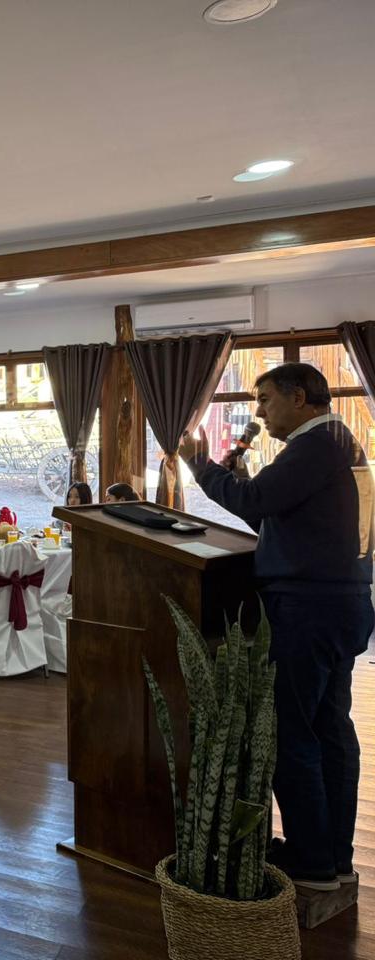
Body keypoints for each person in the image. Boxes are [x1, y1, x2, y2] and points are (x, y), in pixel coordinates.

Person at [179, 362, 373, 892]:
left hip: (307, 608)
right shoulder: (338, 442)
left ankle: (311, 861)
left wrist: (200, 466)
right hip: (338, 603)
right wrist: (241, 486)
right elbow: (272, 518)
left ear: (301, 396)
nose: (259, 412)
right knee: (330, 729)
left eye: (265, 399)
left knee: (291, 733)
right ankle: (332, 854)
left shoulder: (317, 443)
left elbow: (258, 501)